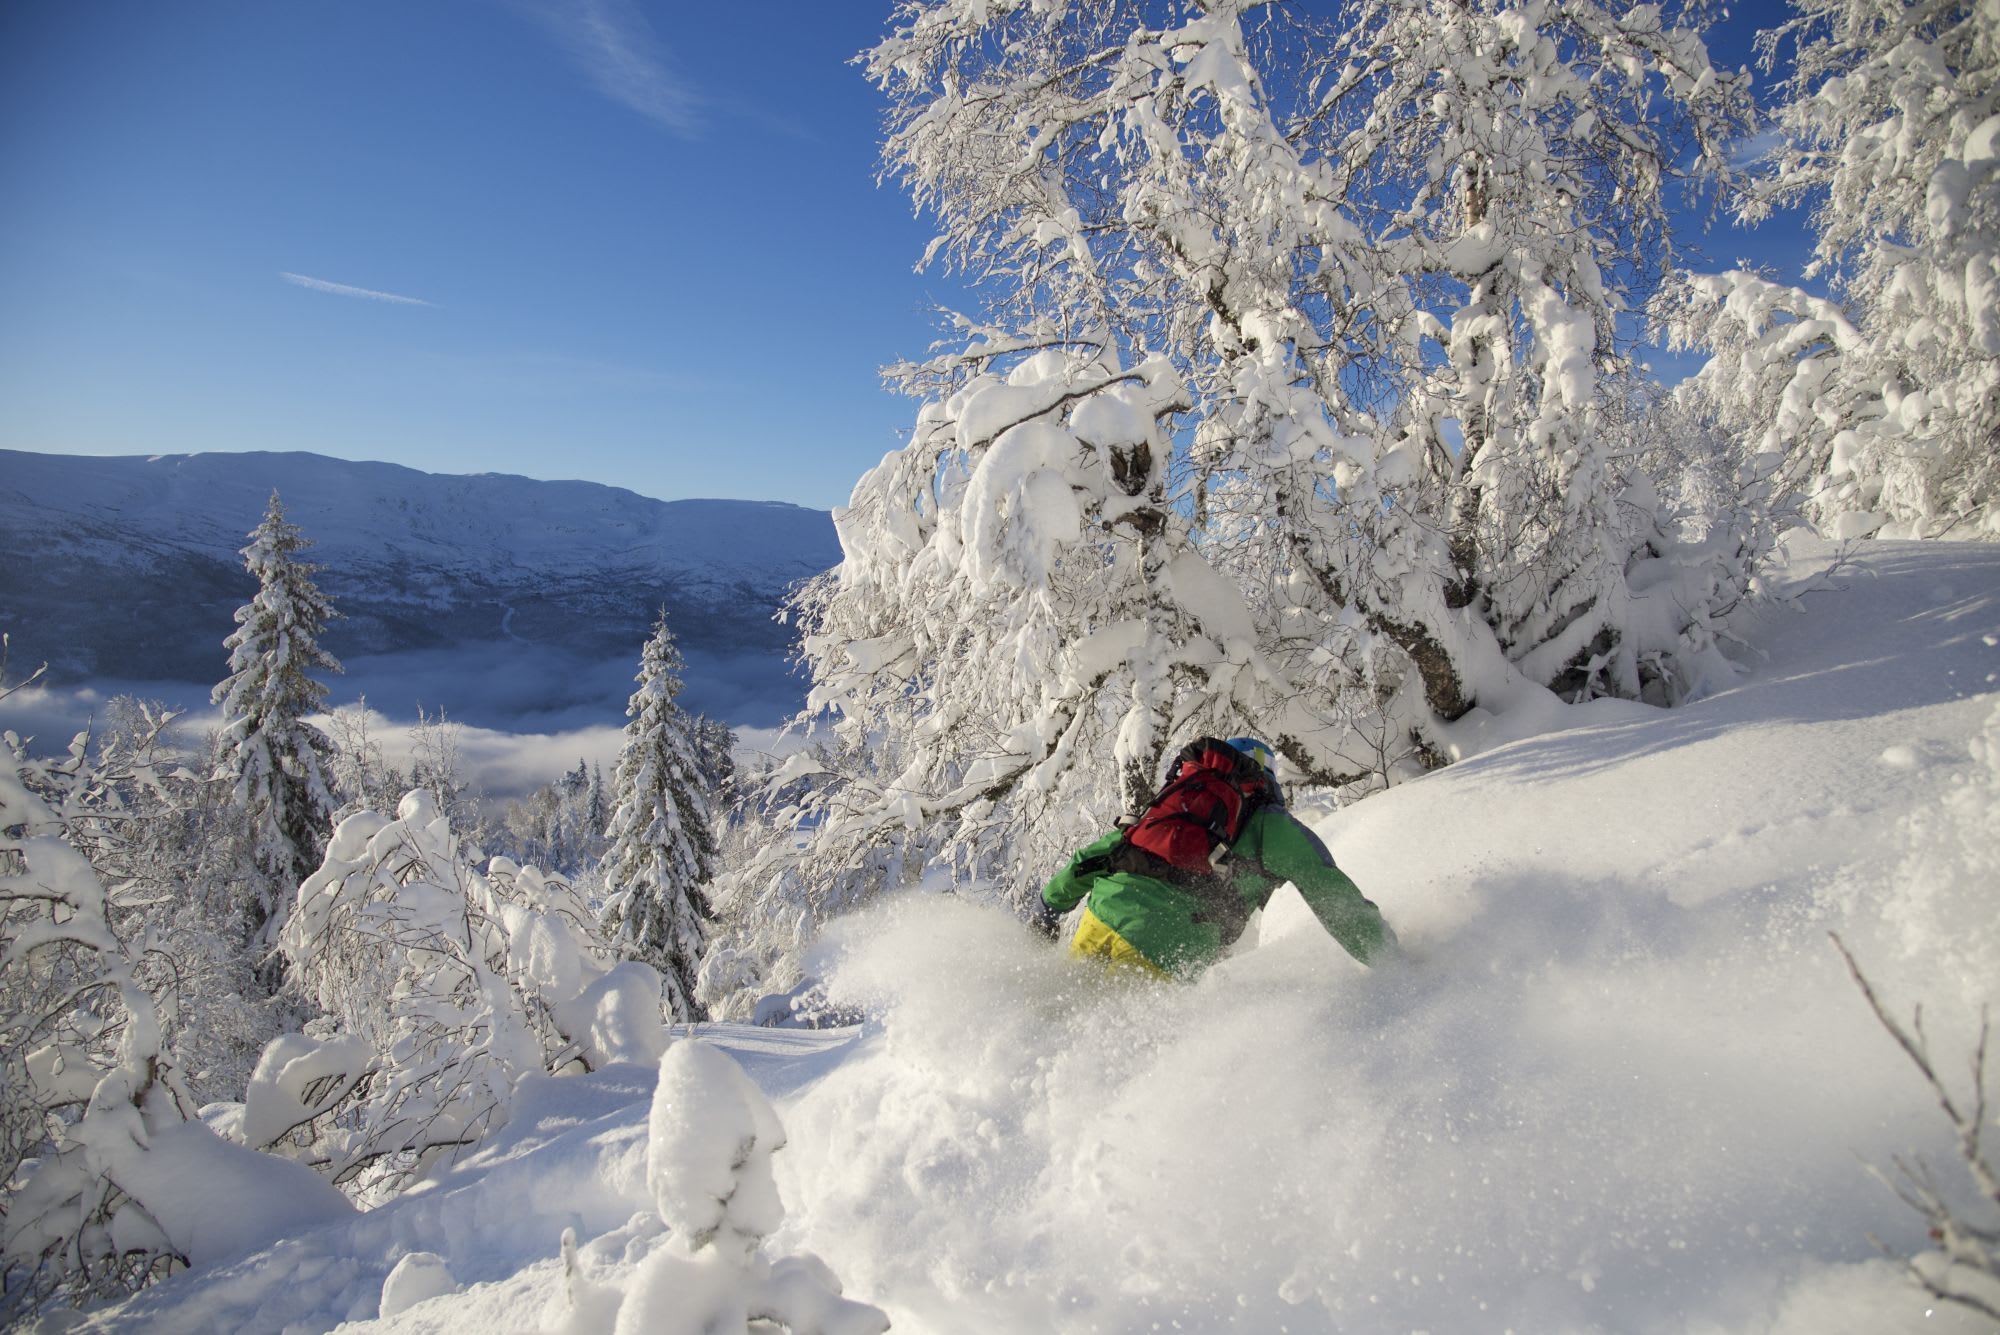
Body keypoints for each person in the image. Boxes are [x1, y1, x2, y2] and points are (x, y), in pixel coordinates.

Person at [1036, 737, 1394, 979]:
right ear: (1267, 778)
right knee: (1115, 1059)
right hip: (1167, 946)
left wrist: (1048, 910)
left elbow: (1096, 857)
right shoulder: (1273, 827)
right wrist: (1391, 963)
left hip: (1103, 915)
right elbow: (1328, 890)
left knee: (1071, 1014)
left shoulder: (1175, 804)